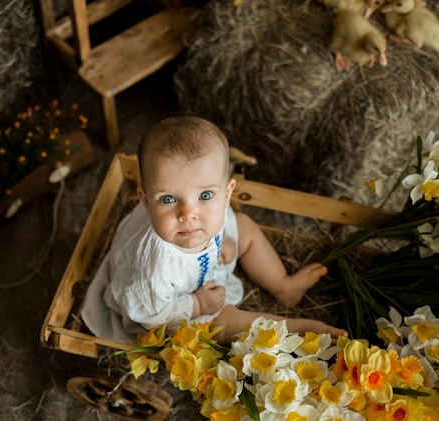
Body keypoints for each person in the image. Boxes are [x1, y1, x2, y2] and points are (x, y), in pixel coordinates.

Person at [80, 114, 348, 345]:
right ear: (146, 200)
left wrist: (223, 241)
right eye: (168, 199)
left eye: (206, 195)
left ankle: (284, 286)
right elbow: (151, 316)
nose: (188, 214)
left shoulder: (203, 216)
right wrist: (197, 304)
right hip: (169, 305)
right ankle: (296, 329)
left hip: (198, 272)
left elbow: (214, 220)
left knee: (243, 228)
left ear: (227, 193)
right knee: (222, 323)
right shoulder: (148, 269)